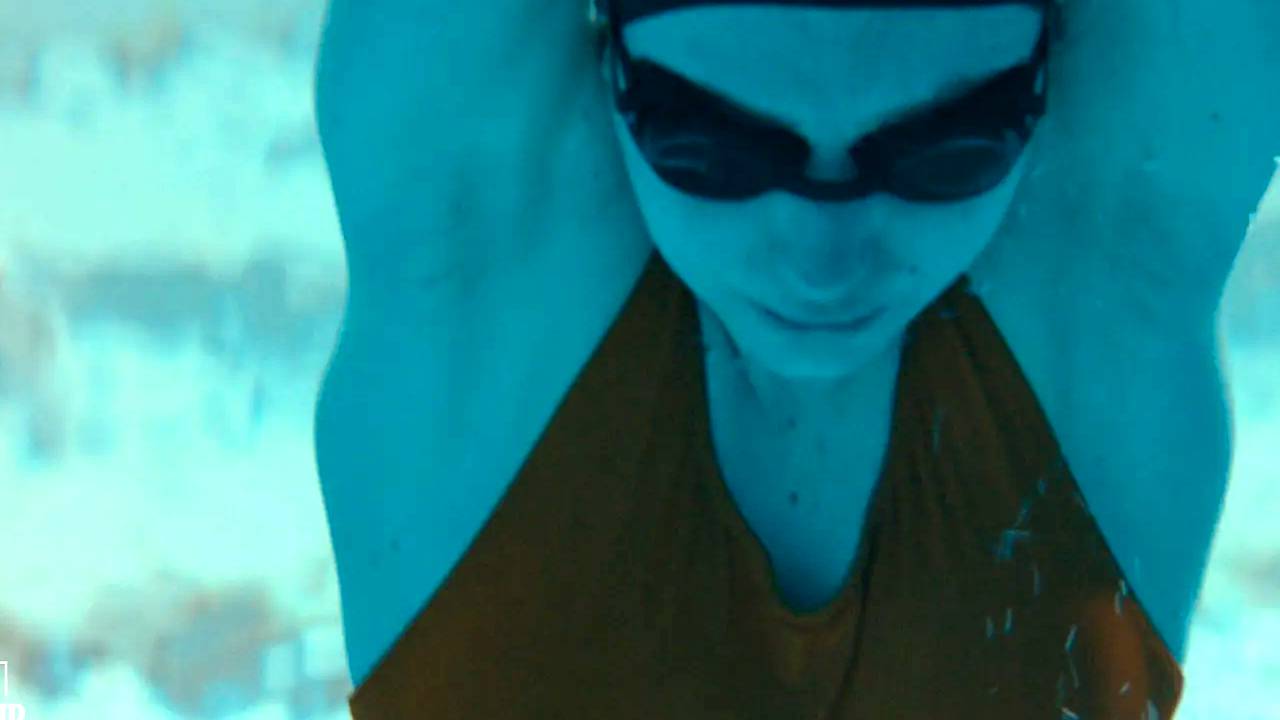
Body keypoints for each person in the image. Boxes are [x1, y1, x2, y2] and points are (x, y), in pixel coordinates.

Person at [311, 0, 1280, 717]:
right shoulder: (481, 262)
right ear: (605, 64)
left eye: (946, 152)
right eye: (711, 148)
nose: (823, 265)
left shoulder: (1104, 279)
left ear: (1048, 81)